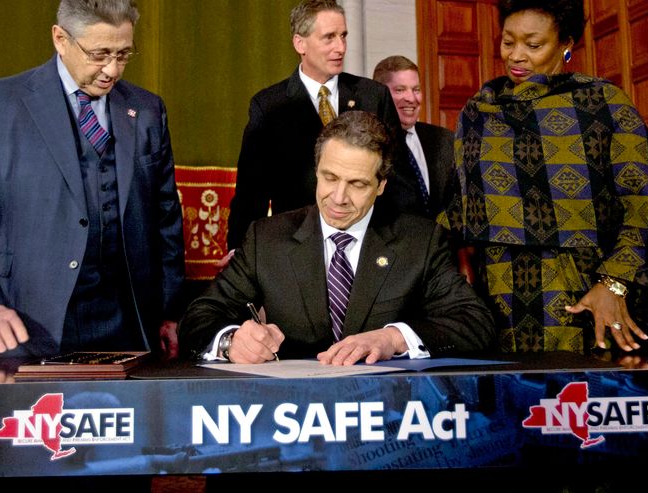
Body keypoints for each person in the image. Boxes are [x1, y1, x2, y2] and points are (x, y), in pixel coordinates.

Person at [439, 0, 648, 358]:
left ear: (566, 43)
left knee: (586, 403)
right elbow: (459, 210)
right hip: (500, 299)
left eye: (533, 44)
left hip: (589, 294)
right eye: (508, 42)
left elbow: (646, 202)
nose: (517, 56)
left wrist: (613, 284)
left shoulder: (604, 104)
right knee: (515, 406)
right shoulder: (479, 111)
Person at [0, 0, 185, 361]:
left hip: (128, 326)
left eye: (123, 54)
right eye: (99, 54)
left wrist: (170, 311)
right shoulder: (2, 103)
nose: (112, 70)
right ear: (60, 39)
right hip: (23, 322)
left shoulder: (148, 109)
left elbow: (165, 217)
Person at [179, 110, 495, 365]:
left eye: (357, 184)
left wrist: (393, 339)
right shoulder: (267, 238)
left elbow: (476, 322)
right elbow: (198, 318)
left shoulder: (419, 241)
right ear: (317, 170)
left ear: (381, 185)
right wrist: (232, 341)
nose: (339, 198)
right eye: (330, 178)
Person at [226, 0, 424, 253]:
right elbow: (251, 193)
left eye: (343, 36)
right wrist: (238, 251)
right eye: (329, 38)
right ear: (300, 43)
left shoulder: (373, 96)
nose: (340, 47)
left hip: (369, 245)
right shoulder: (269, 106)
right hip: (299, 248)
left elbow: (400, 180)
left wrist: (408, 246)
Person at [373, 55, 455, 219]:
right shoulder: (370, 142)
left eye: (416, 89)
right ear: (379, 94)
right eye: (400, 90)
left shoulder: (444, 139)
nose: (411, 98)